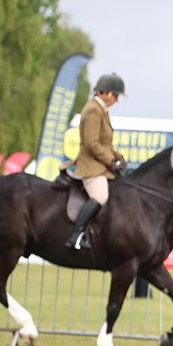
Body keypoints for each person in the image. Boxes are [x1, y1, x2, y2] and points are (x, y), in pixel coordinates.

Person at [65, 73, 127, 250]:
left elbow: (104, 143)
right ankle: (76, 234)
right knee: (100, 196)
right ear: (105, 93)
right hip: (91, 166)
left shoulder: (102, 111)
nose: (116, 100)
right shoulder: (93, 110)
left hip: (100, 165)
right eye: (115, 95)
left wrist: (117, 157)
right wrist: (110, 161)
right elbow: (91, 143)